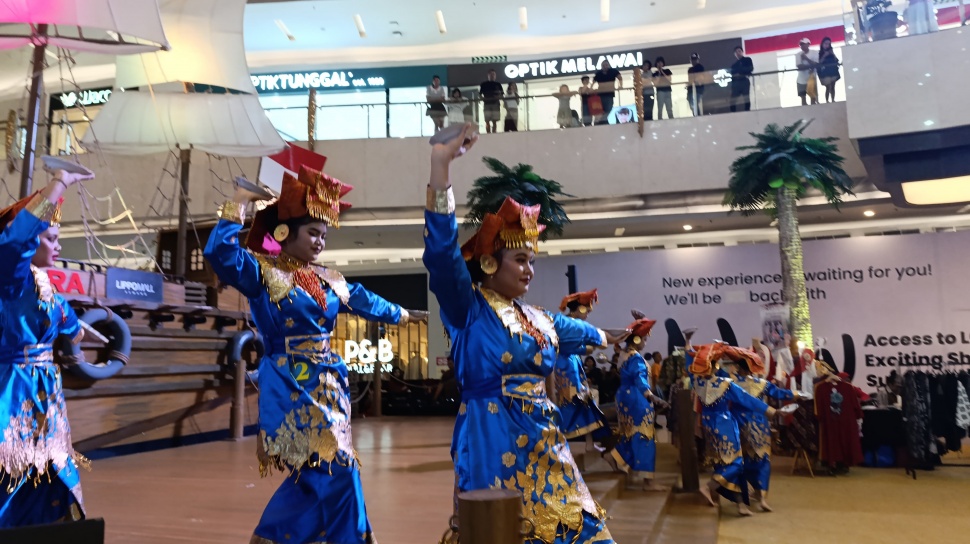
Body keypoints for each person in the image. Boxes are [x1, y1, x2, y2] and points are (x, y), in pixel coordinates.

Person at [423, 123, 628, 543]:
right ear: (491, 264)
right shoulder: (469, 310)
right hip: (491, 441)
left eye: (532, 261)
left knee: (587, 531)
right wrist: (440, 166)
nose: (529, 270)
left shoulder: (539, 318)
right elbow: (443, 256)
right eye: (520, 259)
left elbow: (581, 332)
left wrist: (615, 336)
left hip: (545, 440)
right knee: (505, 533)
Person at [204, 165, 426, 544]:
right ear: (284, 233)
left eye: (323, 234)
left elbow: (364, 299)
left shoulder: (329, 279)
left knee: (319, 470)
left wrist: (404, 313)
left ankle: (280, 536)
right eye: (313, 232)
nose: (320, 241)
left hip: (329, 385)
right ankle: (349, 537)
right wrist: (239, 203)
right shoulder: (263, 272)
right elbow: (220, 254)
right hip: (291, 385)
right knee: (334, 464)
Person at [0, 167, 93, 527]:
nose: (57, 246)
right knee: (14, 474)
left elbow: (70, 323)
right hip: (13, 389)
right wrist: (58, 185)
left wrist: (79, 336)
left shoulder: (45, 284)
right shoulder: (9, 279)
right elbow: (12, 244)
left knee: (54, 474)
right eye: (50, 238)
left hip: (46, 395)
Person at [686, 343, 778, 516]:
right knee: (736, 463)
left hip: (708, 426)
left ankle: (740, 504)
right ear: (716, 365)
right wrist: (770, 410)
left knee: (724, 463)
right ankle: (709, 487)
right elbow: (747, 399)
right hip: (725, 425)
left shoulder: (697, 382)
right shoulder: (725, 384)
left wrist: (688, 345)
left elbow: (689, 366)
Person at [720, 346, 803, 512]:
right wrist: (797, 393)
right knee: (763, 460)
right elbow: (779, 393)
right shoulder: (761, 383)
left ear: (737, 368)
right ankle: (762, 497)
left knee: (739, 462)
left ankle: (741, 501)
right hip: (759, 426)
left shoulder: (731, 384)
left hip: (738, 425)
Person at [554, 290, 618, 463]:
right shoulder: (567, 324)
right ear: (580, 308)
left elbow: (580, 348)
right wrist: (591, 346)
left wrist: (588, 348)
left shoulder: (570, 324)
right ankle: (562, 443)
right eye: (587, 311)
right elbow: (573, 347)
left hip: (570, 364)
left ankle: (589, 442)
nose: (588, 314)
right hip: (564, 368)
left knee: (584, 403)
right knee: (572, 404)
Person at [613, 317, 670, 491]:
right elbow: (640, 380)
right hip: (637, 398)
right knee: (644, 436)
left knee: (630, 433)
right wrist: (651, 396)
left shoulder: (624, 354)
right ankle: (648, 481)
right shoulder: (636, 358)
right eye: (644, 339)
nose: (645, 342)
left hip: (624, 397)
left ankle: (615, 457)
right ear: (637, 340)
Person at [593, 60, 622, 125]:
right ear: (601, 66)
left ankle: (601, 121)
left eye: (606, 65)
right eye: (603, 65)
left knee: (609, 108)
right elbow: (593, 81)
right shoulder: (599, 73)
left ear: (608, 65)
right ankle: (603, 121)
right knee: (601, 110)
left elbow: (620, 78)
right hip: (600, 95)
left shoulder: (613, 71)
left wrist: (620, 86)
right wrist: (591, 89)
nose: (605, 66)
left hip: (609, 94)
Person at [730, 46, 754, 112]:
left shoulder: (747, 60)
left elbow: (750, 68)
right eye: (736, 52)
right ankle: (733, 112)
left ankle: (747, 111)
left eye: (739, 51)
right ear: (734, 54)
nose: (738, 53)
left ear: (742, 52)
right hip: (736, 83)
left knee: (746, 98)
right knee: (733, 99)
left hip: (744, 81)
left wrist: (740, 72)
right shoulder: (734, 65)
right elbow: (732, 74)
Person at [817, 37, 841, 103]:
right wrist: (824, 55)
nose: (827, 45)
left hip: (833, 70)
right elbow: (819, 63)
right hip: (825, 72)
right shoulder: (820, 53)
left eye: (828, 44)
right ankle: (827, 100)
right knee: (828, 86)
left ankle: (833, 99)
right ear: (822, 44)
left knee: (833, 86)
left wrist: (832, 53)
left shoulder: (831, 52)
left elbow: (836, 60)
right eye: (825, 43)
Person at [479, 69, 504, 134]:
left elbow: (502, 94)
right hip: (487, 103)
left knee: (495, 120)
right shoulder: (484, 84)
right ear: (488, 75)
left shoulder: (498, 84)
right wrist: (483, 98)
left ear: (495, 76)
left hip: (495, 103)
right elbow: (480, 94)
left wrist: (498, 97)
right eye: (491, 74)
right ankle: (488, 133)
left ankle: (494, 133)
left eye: (494, 74)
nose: (492, 76)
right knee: (487, 120)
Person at [796, 37, 819, 106]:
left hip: (811, 78)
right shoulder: (798, 54)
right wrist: (810, 66)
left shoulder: (814, 53)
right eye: (801, 44)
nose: (802, 46)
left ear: (808, 44)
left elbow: (816, 64)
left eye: (804, 44)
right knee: (803, 98)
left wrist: (806, 58)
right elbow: (799, 66)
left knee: (813, 98)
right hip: (801, 79)